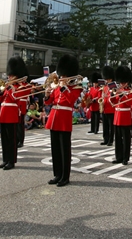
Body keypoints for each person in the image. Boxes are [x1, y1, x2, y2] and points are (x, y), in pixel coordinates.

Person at [44, 54, 82, 187]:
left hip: (64, 119)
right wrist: (47, 95)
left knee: (65, 150)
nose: (61, 78)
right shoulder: (57, 87)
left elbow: (70, 101)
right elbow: (50, 102)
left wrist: (64, 88)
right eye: (61, 75)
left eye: (64, 75)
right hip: (54, 118)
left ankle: (65, 176)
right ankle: (57, 174)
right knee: (55, 149)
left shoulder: (76, 88)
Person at [0, 56, 30, 170]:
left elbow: (15, 97)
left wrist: (9, 88)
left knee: (11, 140)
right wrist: (1, 91)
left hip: (11, 114)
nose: (9, 77)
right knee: (4, 140)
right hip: (3, 114)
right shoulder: (7, 87)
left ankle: (12, 161)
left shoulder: (21, 87)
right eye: (9, 75)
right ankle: (5, 160)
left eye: (11, 76)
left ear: (17, 76)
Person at [113, 65, 132, 165]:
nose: (121, 84)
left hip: (125, 117)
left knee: (126, 140)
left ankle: (126, 158)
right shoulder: (117, 90)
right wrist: (113, 95)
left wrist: (123, 95)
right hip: (117, 117)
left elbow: (130, 103)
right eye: (120, 82)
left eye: (123, 82)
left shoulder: (131, 91)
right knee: (117, 139)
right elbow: (112, 102)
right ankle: (118, 157)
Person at [100, 66, 116, 146]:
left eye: (108, 79)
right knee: (105, 126)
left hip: (111, 109)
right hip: (105, 108)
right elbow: (103, 97)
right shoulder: (105, 87)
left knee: (111, 127)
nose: (106, 81)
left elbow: (113, 97)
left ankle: (110, 140)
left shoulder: (113, 86)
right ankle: (105, 139)